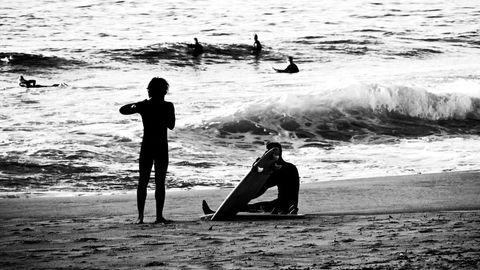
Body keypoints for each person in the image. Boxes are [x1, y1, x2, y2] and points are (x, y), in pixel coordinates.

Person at [119, 77, 175, 224]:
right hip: (161, 146)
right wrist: (140, 106)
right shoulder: (168, 106)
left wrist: (137, 105)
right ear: (164, 91)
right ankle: (158, 216)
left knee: (143, 181)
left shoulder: (145, 106)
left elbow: (123, 110)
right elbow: (171, 125)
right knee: (159, 182)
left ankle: (141, 217)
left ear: (150, 91)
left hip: (148, 146)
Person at [203, 142, 300, 215]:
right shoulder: (288, 167)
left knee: (253, 207)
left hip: (283, 205)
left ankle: (217, 213)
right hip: (288, 203)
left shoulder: (282, 169)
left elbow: (262, 186)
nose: (266, 153)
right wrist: (258, 165)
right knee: (255, 207)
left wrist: (245, 196)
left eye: (267, 152)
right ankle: (289, 209)